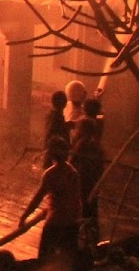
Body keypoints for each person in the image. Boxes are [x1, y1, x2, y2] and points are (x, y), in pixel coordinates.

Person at [20, 137, 82, 268]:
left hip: (55, 223)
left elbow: (37, 198)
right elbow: (76, 201)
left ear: (50, 154)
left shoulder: (50, 174)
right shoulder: (73, 173)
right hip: (72, 223)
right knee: (68, 260)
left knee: (44, 260)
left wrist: (24, 216)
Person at [70, 98, 105, 221]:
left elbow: (72, 161)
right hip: (93, 180)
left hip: (82, 178)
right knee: (91, 204)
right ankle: (91, 226)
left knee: (81, 203)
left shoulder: (82, 144)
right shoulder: (97, 145)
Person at [43, 91, 69, 167]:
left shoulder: (52, 114)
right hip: (55, 152)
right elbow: (54, 131)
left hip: (51, 150)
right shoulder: (57, 116)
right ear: (64, 103)